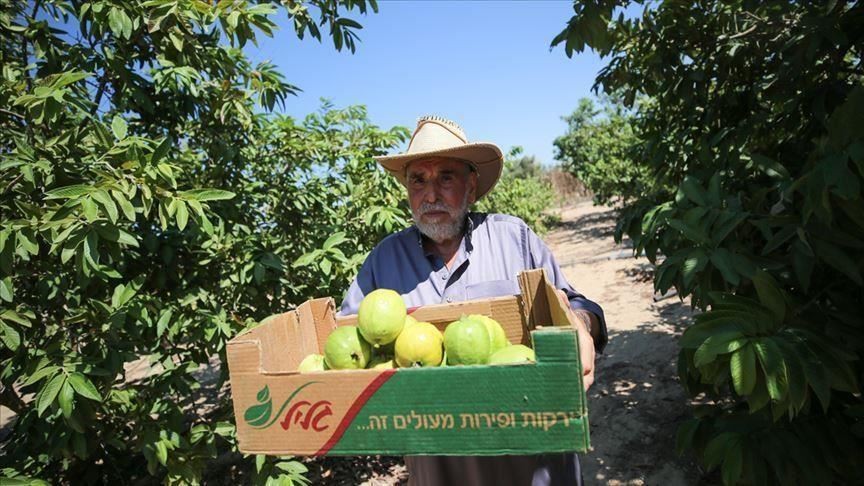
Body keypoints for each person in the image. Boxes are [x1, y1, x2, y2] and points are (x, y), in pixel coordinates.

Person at [339, 115, 607, 486]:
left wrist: (580, 324)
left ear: (471, 185)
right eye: (418, 179)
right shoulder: (384, 261)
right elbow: (345, 346)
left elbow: (578, 305)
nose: (430, 194)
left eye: (445, 177)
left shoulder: (513, 238)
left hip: (533, 465)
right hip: (440, 468)